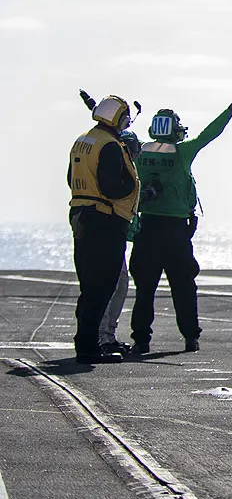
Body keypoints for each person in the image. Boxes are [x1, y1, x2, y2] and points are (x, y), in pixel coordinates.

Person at [129, 86, 232, 354]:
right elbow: (211, 133)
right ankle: (190, 337)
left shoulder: (139, 153)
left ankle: (141, 340)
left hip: (146, 228)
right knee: (183, 287)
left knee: (144, 288)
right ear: (174, 129)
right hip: (175, 232)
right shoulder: (182, 152)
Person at [67, 94, 140, 364]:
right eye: (124, 118)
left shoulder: (83, 140)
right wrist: (131, 186)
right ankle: (89, 347)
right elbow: (112, 186)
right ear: (117, 118)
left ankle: (85, 342)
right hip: (104, 220)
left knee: (89, 285)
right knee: (103, 285)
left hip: (80, 215)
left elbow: (69, 177)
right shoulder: (109, 145)